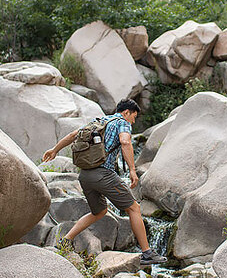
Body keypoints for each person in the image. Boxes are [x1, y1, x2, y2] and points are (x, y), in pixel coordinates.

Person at [42, 98, 167, 265]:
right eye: (134, 117)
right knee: (134, 208)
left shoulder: (98, 121)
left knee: (99, 212)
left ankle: (65, 241)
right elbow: (125, 141)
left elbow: (73, 135)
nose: (133, 121)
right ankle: (147, 253)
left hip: (85, 175)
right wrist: (131, 170)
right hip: (103, 174)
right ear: (126, 112)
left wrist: (54, 150)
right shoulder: (122, 122)